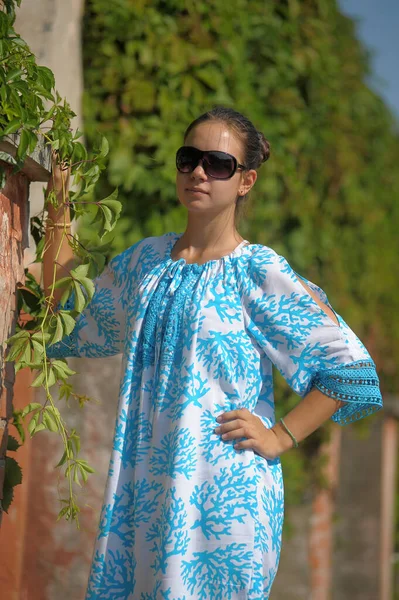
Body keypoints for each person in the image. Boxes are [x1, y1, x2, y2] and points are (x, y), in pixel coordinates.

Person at [44, 107, 383, 599]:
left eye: (218, 163)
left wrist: (280, 436)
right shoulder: (146, 262)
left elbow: (349, 370)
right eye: (189, 159)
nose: (199, 172)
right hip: (142, 496)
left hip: (224, 501)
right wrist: (58, 206)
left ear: (245, 181)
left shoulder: (257, 271)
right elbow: (64, 311)